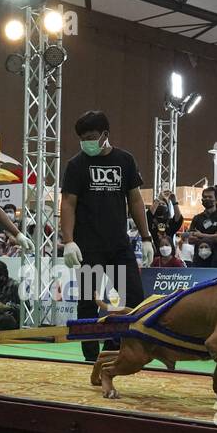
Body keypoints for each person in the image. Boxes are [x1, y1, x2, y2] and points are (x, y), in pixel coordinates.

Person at [59, 109, 152, 361]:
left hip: (118, 246)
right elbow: (68, 202)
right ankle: (90, 357)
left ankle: (118, 350)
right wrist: (68, 241)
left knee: (130, 300)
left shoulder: (125, 161)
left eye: (91, 136)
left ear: (105, 134)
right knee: (88, 303)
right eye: (82, 138)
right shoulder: (76, 165)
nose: (86, 142)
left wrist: (146, 237)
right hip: (88, 248)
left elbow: (135, 200)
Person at [184, 186, 217, 269]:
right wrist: (213, 237)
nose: (207, 199)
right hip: (198, 261)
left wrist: (200, 235)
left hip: (216, 261)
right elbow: (190, 239)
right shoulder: (197, 218)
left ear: (216, 200)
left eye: (210, 197)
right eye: (205, 197)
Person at [0, 261, 20, 331]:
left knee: (6, 319)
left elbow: (26, 308)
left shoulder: (16, 286)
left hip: (13, 320)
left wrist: (7, 307)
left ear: (2, 276)